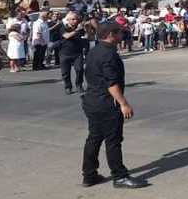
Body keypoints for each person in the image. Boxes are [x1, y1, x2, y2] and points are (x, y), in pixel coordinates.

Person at [81, 21, 148, 189]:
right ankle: (120, 176)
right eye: (119, 32)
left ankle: (89, 175)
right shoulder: (108, 55)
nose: (122, 35)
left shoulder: (95, 50)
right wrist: (123, 104)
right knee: (113, 140)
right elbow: (112, 83)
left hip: (92, 100)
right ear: (111, 34)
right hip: (106, 103)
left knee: (94, 138)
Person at [58, 12, 86, 95]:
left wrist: (88, 29)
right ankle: (68, 87)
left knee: (79, 69)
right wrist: (77, 30)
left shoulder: (80, 28)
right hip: (64, 53)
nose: (75, 21)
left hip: (77, 53)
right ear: (68, 20)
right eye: (73, 19)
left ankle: (79, 85)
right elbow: (67, 36)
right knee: (65, 72)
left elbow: (87, 36)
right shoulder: (63, 28)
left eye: (76, 19)